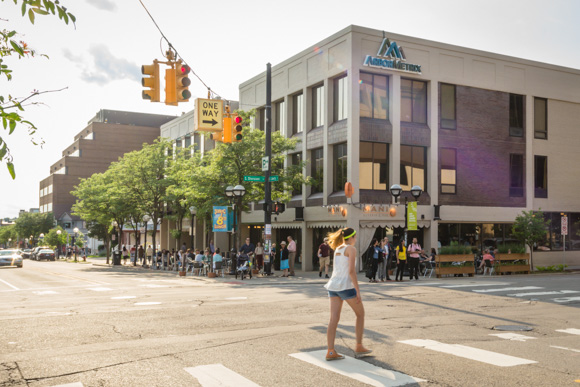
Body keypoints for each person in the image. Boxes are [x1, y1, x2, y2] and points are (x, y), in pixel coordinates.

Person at [324, 227, 371, 361]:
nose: (356, 239)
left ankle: (330, 351)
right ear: (351, 237)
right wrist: (357, 290)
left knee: (333, 319)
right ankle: (359, 345)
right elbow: (351, 271)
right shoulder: (351, 249)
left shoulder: (338, 249)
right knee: (360, 314)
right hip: (345, 286)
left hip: (333, 286)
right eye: (355, 237)